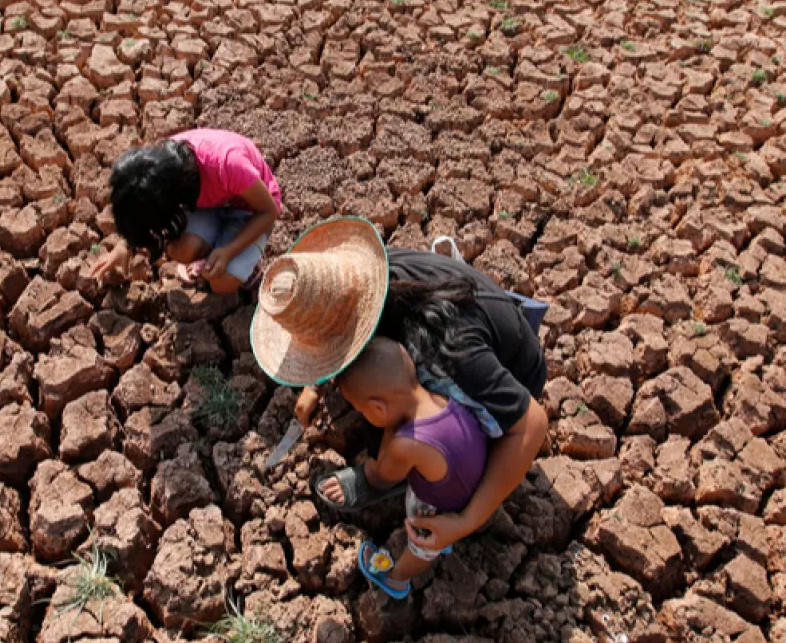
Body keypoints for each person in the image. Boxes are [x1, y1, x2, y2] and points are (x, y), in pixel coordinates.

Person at [250, 215, 548, 561]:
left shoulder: (448, 350)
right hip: (466, 331)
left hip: (511, 376)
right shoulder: (364, 275)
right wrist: (316, 385)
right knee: (383, 389)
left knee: (420, 427)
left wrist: (466, 521)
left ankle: (395, 475)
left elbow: (532, 423)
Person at [332, 338, 487, 599]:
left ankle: (397, 578)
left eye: (362, 410)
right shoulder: (440, 395)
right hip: (477, 483)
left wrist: (374, 460)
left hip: (442, 505)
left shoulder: (405, 445)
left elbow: (383, 477)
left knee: (423, 542)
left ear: (378, 407)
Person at [89, 128, 282, 294]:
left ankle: (244, 261)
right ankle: (214, 249)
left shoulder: (228, 164)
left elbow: (269, 212)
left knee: (222, 283)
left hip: (250, 212)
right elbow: (139, 209)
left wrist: (229, 252)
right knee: (182, 251)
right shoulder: (161, 172)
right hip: (210, 206)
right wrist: (124, 247)